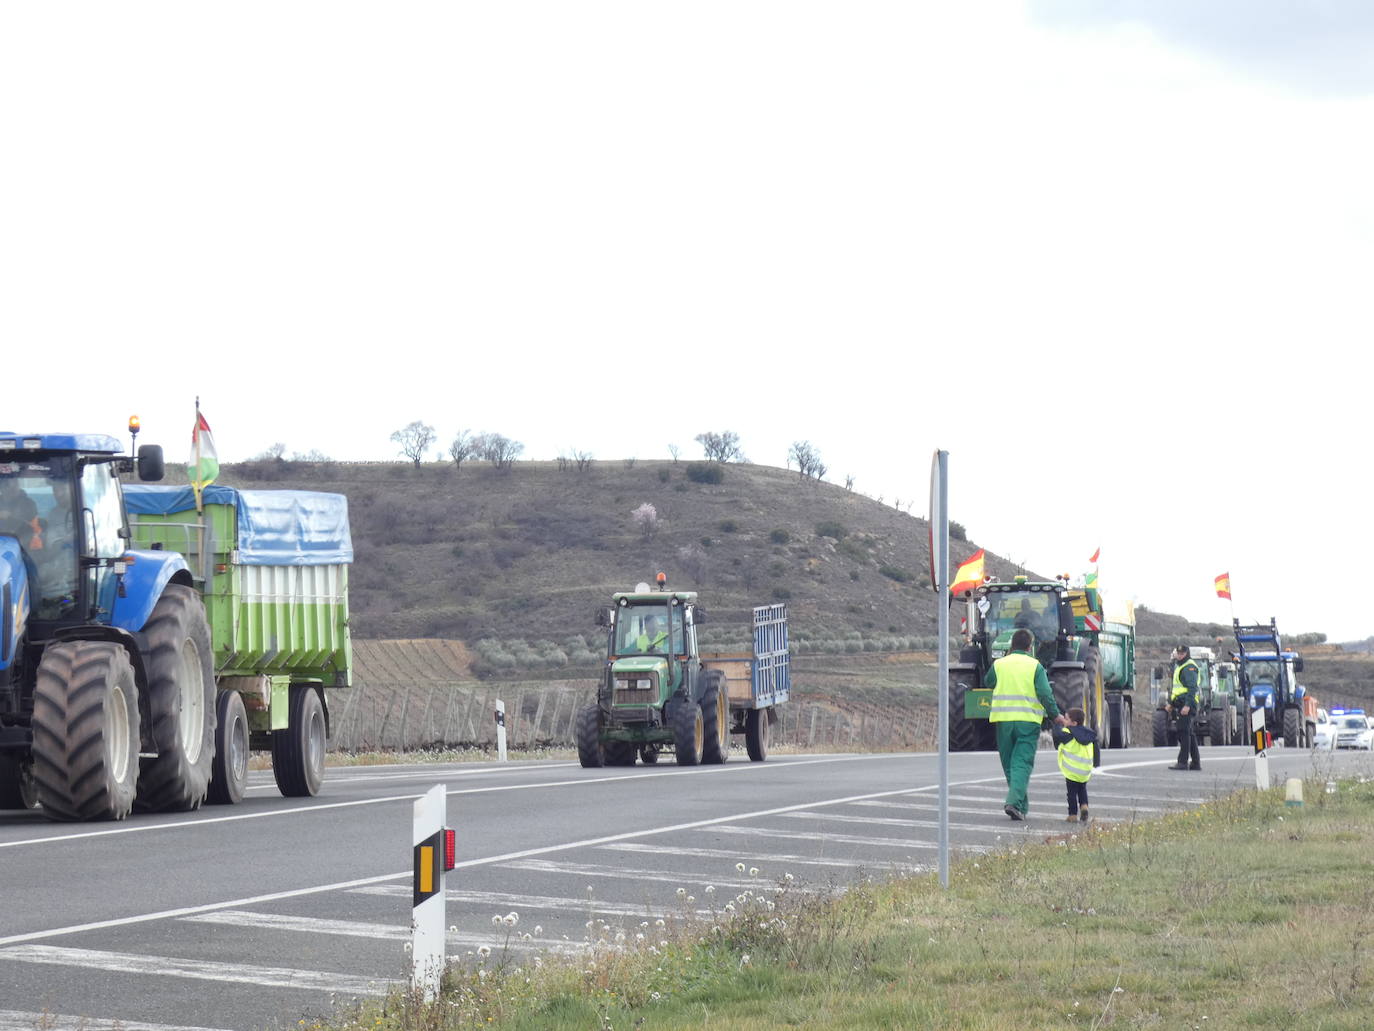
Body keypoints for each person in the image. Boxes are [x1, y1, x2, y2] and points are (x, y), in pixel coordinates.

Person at [985, 627, 1067, 820]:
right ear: (1030, 646)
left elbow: (989, 682)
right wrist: (1055, 715)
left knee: (1009, 764)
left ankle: (1019, 806)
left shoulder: (999, 664)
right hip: (1028, 722)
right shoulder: (1035, 666)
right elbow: (1045, 694)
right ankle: (1014, 803)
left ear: (1011, 645)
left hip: (1003, 722)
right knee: (1021, 763)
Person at [1053, 706, 1097, 823]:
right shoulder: (1089, 734)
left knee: (1071, 793)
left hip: (1072, 771)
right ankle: (1084, 806)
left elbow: (1057, 736)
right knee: (1082, 789)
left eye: (1066, 719)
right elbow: (1096, 751)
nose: (1064, 721)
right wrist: (1096, 764)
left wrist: (1057, 723)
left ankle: (1072, 815)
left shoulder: (1068, 733)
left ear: (1074, 723)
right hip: (1085, 770)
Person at [1167, 644, 1202, 770]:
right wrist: (1171, 704)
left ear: (1187, 653)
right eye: (1179, 653)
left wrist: (1187, 705)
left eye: (1182, 653)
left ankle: (1182, 762)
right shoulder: (1180, 666)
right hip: (1181, 703)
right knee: (1188, 733)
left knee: (1183, 732)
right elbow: (1178, 689)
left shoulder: (1189, 667)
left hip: (1187, 704)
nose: (1180, 655)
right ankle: (1196, 763)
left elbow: (1192, 688)